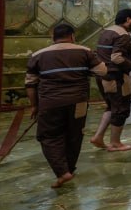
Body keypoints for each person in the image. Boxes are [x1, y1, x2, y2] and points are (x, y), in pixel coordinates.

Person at [25, 23, 107, 188]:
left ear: (52, 37)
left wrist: (34, 106)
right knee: (74, 134)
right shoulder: (85, 51)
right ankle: (69, 168)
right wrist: (85, 71)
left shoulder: (38, 55)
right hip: (79, 102)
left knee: (49, 136)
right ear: (72, 36)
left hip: (50, 103)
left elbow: (30, 84)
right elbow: (102, 71)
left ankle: (62, 172)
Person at [90, 8, 131, 152]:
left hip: (103, 76)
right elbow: (117, 57)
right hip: (115, 77)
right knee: (122, 109)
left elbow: (128, 48)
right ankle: (115, 143)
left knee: (112, 107)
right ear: (128, 20)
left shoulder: (108, 31)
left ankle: (98, 137)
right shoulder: (123, 34)